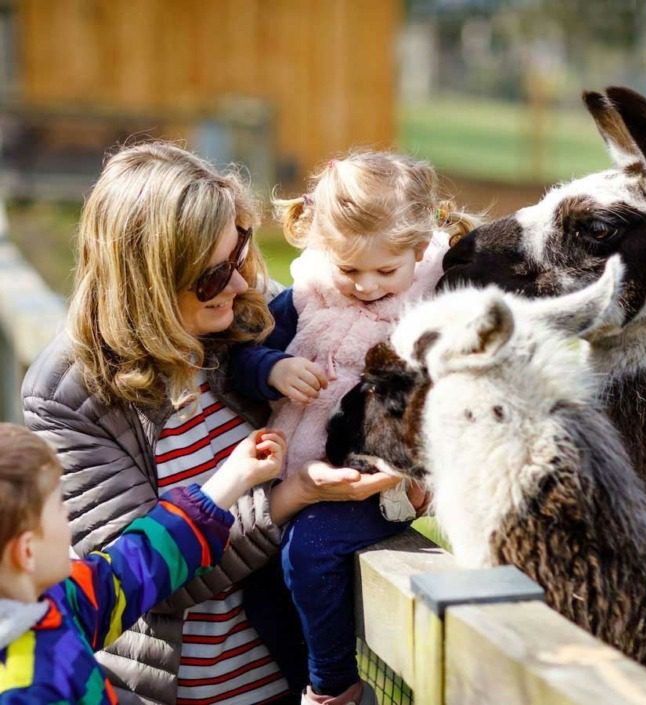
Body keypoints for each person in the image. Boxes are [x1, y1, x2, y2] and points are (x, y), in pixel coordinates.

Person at [22, 142, 400, 705]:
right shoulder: (71, 395)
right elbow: (139, 577)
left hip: (292, 677)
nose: (239, 283)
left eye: (240, 250)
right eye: (211, 274)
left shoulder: (256, 319)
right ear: (148, 280)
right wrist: (288, 497)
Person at [230, 152, 476, 705]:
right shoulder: (308, 298)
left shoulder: (434, 305)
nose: (365, 286)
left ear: (418, 250)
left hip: (382, 485)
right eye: (350, 269)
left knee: (310, 551)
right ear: (324, 250)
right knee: (263, 592)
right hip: (302, 469)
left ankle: (334, 686)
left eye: (385, 271)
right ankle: (296, 679)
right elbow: (242, 361)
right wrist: (274, 369)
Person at [0, 422, 285, 704]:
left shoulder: (58, 597)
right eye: (57, 507)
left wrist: (233, 479)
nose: (66, 514)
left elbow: (133, 567)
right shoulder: (26, 691)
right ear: (26, 552)